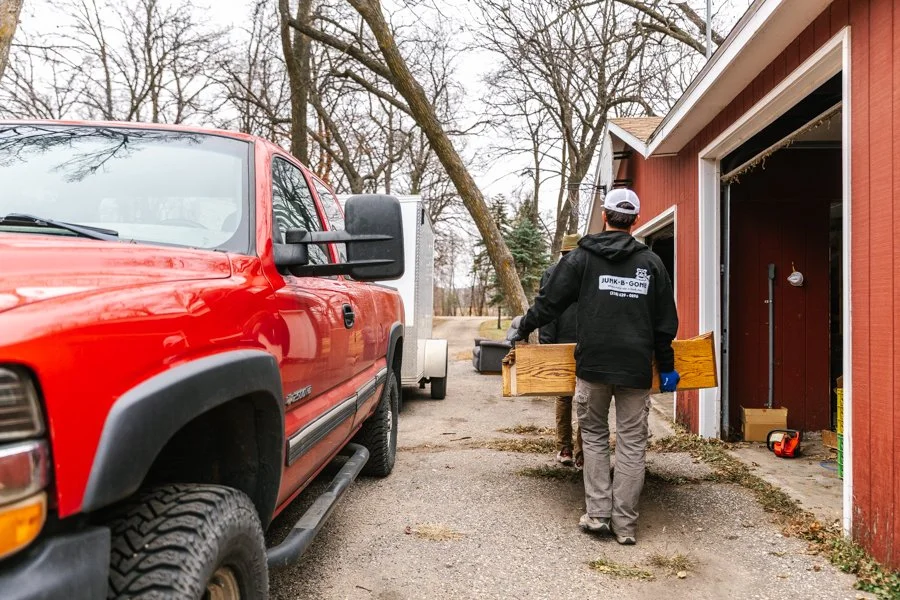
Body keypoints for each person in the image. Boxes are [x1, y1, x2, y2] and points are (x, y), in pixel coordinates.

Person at [508, 188, 679, 545]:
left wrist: (522, 327)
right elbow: (666, 323)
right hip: (634, 368)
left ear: (605, 216)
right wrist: (666, 365)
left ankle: (598, 515)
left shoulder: (582, 258)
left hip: (594, 366)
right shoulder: (651, 264)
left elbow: (549, 302)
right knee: (632, 444)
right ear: (634, 221)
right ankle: (626, 527)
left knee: (596, 437)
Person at [539, 233, 583, 469]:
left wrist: (547, 343)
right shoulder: (589, 271)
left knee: (566, 397)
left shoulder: (552, 273)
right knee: (585, 399)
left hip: (564, 342)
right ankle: (577, 451)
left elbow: (546, 310)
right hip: (584, 342)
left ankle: (567, 448)